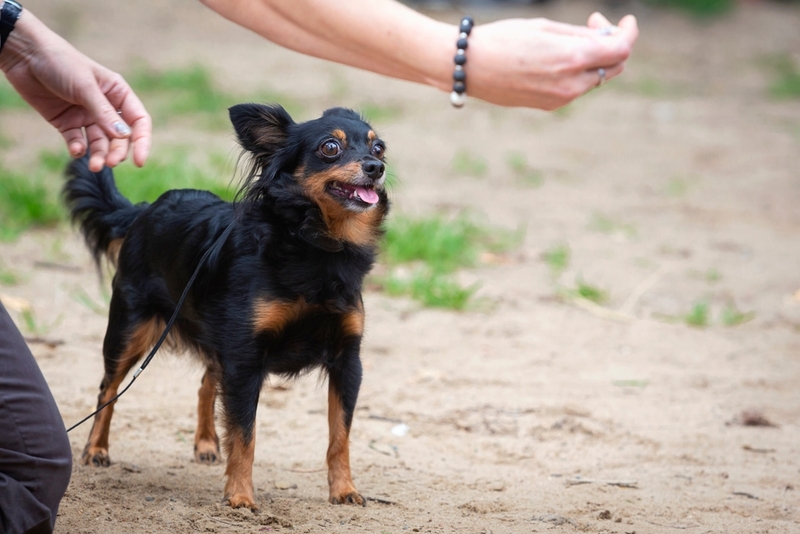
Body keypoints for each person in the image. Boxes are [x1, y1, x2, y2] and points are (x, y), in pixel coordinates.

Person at [0, 1, 638, 532]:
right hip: (181, 269)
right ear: (286, 165)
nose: (366, 161)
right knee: (159, 348)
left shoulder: (348, 269)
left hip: (323, 272)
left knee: (287, 355)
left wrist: (21, 38)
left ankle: (337, 470)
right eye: (335, 153)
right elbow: (241, 361)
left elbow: (342, 365)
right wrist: (463, 58)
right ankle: (110, 422)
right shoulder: (262, 243)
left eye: (372, 150)